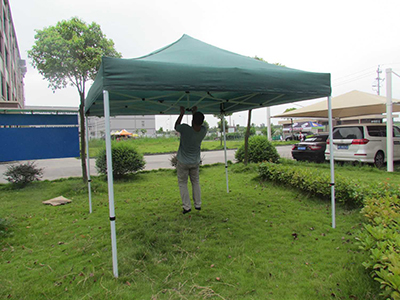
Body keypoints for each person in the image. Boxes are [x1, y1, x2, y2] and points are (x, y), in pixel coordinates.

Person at [174, 106, 207, 214]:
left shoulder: (185, 129)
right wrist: (195, 112)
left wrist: (182, 113)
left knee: (183, 183)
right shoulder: (203, 130)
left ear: (193, 120)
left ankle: (187, 207)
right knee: (195, 182)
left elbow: (176, 126)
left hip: (183, 162)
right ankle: (198, 204)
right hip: (195, 162)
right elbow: (196, 123)